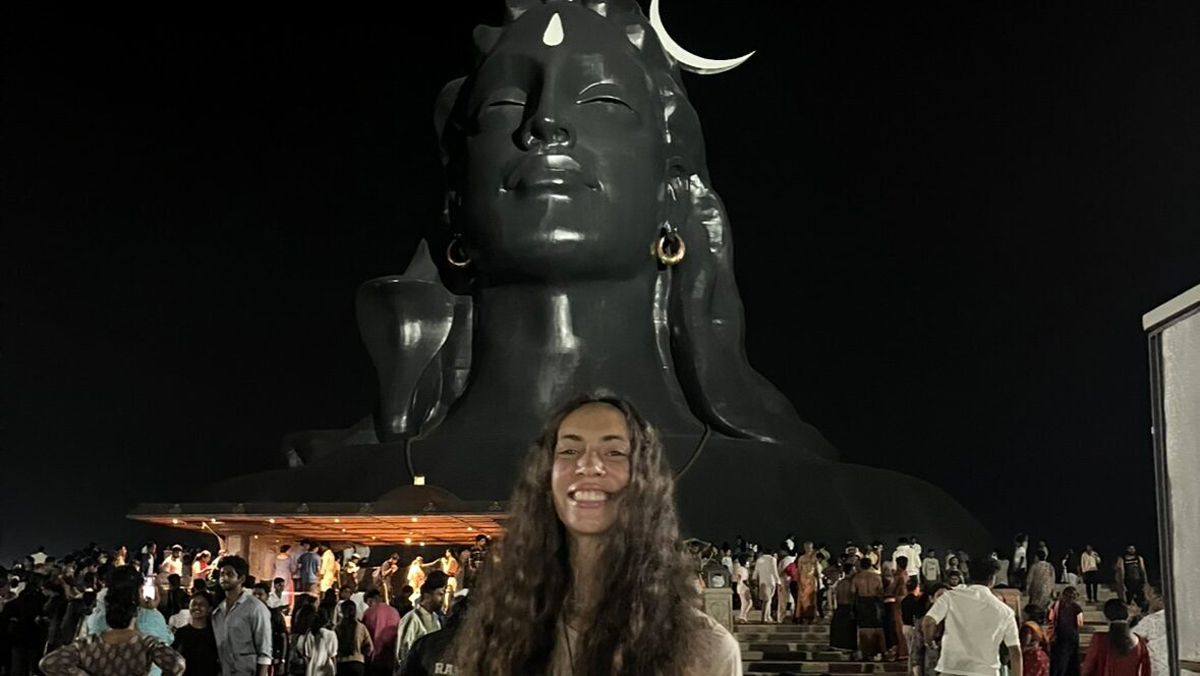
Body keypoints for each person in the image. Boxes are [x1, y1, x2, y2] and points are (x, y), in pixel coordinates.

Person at [447, 394, 742, 675]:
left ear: (644, 479)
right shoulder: (500, 635)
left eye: (614, 452)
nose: (588, 465)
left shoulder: (705, 652)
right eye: (569, 451)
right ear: (546, 478)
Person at [39, 565, 186, 676]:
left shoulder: (89, 640)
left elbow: (48, 663)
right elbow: (177, 665)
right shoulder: (147, 643)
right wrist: (152, 610)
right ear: (139, 593)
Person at [923, 559, 1022, 676]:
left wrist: (929, 641)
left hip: (952, 668)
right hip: (986, 672)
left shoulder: (949, 597)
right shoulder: (1005, 611)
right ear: (992, 579)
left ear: (969, 575)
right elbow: (1014, 650)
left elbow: (928, 622)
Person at [211, 555, 273, 676]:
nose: (224, 578)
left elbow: (264, 650)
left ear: (241, 579)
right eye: (222, 574)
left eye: (230, 574)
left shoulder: (255, 608)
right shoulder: (218, 610)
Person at [1081, 599, 1151, 676]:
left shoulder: (1099, 639)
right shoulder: (1139, 641)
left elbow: (1087, 670)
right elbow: (1146, 671)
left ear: (1106, 617)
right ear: (1127, 616)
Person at [396, 572, 446, 668]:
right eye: (440, 594)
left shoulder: (435, 619)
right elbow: (403, 652)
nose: (442, 599)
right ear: (427, 596)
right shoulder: (412, 618)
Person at [172, 593, 221, 676]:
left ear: (209, 608)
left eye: (202, 604)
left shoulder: (215, 634)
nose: (197, 607)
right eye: (194, 604)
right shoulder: (180, 633)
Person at [852, 557, 886, 661]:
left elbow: (853, 592)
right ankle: (880, 652)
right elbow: (881, 592)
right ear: (870, 565)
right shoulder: (876, 577)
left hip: (862, 602)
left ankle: (865, 652)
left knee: (863, 629)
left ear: (861, 565)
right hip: (874, 602)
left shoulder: (856, 578)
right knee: (877, 628)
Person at [252, 582, 289, 673]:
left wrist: (282, 660)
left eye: (260, 594)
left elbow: (283, 638)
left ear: (267, 596)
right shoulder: (246, 615)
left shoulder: (274, 615)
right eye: (254, 594)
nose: (256, 597)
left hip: (271, 659)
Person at [360, 589, 399, 676]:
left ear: (370, 600)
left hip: (374, 659)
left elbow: (364, 635)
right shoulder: (394, 611)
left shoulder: (369, 612)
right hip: (391, 658)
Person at [1048, 586, 1084, 676]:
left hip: (1059, 636)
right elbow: (1080, 623)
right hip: (1072, 636)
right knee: (1072, 660)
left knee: (1058, 660)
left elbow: (1050, 618)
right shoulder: (1077, 608)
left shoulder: (1056, 605)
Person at [1133, 584, 1167, 676]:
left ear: (1160, 599)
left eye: (1150, 598)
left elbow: (1131, 639)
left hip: (1157, 670)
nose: (1149, 602)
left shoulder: (1151, 620)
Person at [333, 599, 372, 676]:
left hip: (342, 664)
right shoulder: (361, 627)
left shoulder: (337, 628)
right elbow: (369, 647)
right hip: (358, 664)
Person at [294, 607, 338, 676]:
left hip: (312, 668)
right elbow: (333, 655)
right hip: (326, 667)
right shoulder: (331, 634)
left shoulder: (310, 633)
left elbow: (308, 654)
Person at [752, 549, 780, 623]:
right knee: (768, 600)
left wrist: (754, 578)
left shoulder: (759, 560)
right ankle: (764, 617)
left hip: (762, 581)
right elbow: (774, 571)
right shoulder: (772, 559)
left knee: (766, 600)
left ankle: (767, 617)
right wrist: (778, 581)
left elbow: (756, 571)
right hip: (770, 581)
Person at [732, 554, 752, 623]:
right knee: (749, 602)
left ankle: (742, 616)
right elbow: (744, 579)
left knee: (744, 603)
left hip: (740, 586)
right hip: (744, 586)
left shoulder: (739, 569)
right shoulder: (743, 569)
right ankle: (743, 615)